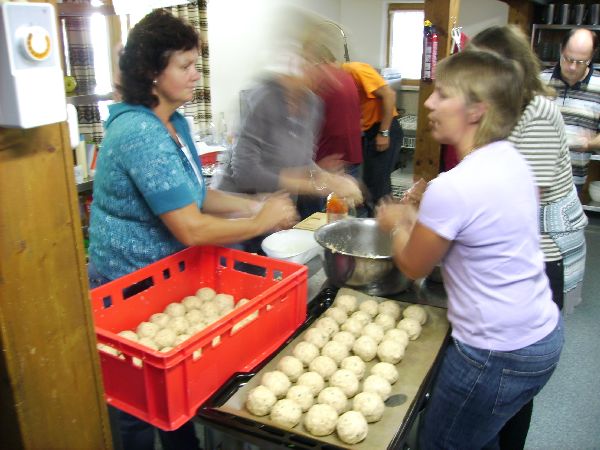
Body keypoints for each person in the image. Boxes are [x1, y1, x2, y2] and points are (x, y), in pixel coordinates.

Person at [88, 10, 298, 449]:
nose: (195, 75)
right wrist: (261, 220)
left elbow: (195, 196)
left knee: (175, 395)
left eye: (195, 63)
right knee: (137, 405)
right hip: (128, 285)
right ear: (150, 72)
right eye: (184, 65)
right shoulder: (137, 132)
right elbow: (188, 226)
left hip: (166, 278)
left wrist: (252, 205)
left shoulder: (175, 123)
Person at [376, 50, 563, 449]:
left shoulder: (455, 185)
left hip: (496, 352)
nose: (428, 101)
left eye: (443, 94)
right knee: (478, 436)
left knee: (442, 444)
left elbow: (411, 265)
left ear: (476, 110)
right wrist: (416, 220)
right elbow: (480, 235)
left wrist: (394, 223)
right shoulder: (512, 159)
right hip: (539, 333)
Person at [470, 25, 588, 449]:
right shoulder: (502, 108)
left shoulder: (536, 112)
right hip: (521, 245)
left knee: (517, 366)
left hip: (546, 251)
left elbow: (520, 196)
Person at [211, 48, 363, 227]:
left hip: (276, 212)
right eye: (317, 66)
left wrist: (328, 178)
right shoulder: (264, 99)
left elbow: (304, 161)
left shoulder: (313, 104)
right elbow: (245, 172)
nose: (328, 77)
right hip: (237, 213)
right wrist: (316, 186)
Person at [540, 28, 600, 195]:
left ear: (591, 56)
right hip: (534, 178)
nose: (572, 67)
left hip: (572, 184)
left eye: (580, 62)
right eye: (568, 59)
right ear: (561, 50)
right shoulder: (539, 81)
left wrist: (589, 144)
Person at [342, 61, 402, 214]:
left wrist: (384, 132)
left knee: (377, 190)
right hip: (370, 132)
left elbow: (389, 94)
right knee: (373, 186)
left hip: (382, 129)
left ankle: (380, 231)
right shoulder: (339, 81)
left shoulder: (354, 70)